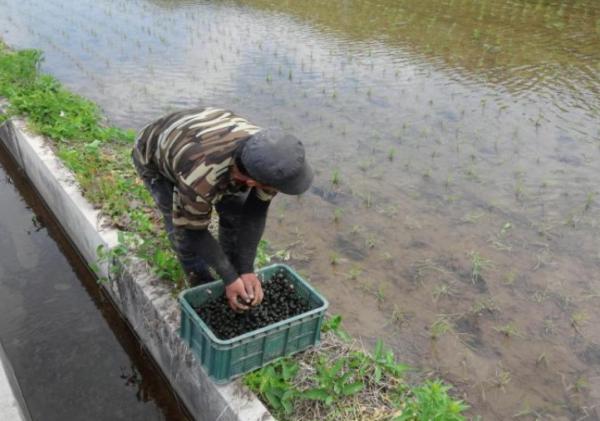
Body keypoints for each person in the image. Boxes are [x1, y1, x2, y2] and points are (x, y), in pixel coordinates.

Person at [132, 107, 313, 311]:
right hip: (155, 153)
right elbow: (193, 230)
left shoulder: (270, 160)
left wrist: (245, 269)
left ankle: (234, 273)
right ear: (252, 182)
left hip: (204, 137)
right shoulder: (199, 179)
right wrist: (228, 277)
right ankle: (202, 283)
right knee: (182, 235)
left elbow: (255, 213)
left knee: (235, 217)